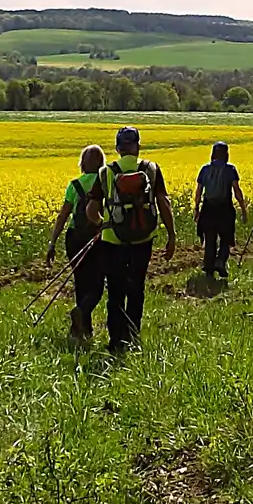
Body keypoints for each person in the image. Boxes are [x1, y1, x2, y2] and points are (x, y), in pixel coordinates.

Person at [99, 126, 176, 351]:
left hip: (113, 239)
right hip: (143, 238)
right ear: (138, 146)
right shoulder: (151, 169)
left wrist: (101, 225)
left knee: (115, 290)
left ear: (118, 148)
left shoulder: (106, 172)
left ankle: (115, 340)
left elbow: (92, 208)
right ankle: (133, 336)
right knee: (136, 287)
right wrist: (171, 235)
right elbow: (163, 202)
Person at [46, 144, 110, 346]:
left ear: (82, 163)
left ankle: (83, 329)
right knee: (97, 285)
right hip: (97, 237)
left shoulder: (74, 185)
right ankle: (82, 313)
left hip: (74, 238)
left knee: (81, 283)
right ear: (102, 163)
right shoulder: (106, 182)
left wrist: (52, 242)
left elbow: (63, 216)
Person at [193, 141, 246, 279]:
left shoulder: (205, 169)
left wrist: (196, 208)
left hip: (208, 208)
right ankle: (221, 261)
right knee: (225, 237)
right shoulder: (230, 169)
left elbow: (199, 192)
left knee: (210, 238)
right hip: (225, 208)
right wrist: (243, 208)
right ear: (226, 154)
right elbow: (236, 190)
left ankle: (209, 267)